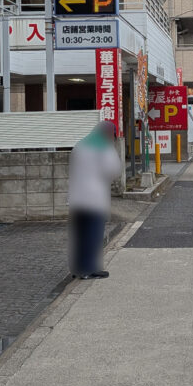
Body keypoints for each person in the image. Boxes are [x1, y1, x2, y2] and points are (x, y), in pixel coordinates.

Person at [67, 120, 123, 280]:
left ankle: (77, 268)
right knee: (92, 235)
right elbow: (113, 170)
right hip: (94, 199)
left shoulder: (79, 145)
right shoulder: (105, 147)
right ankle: (88, 269)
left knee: (79, 234)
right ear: (109, 134)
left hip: (76, 198)